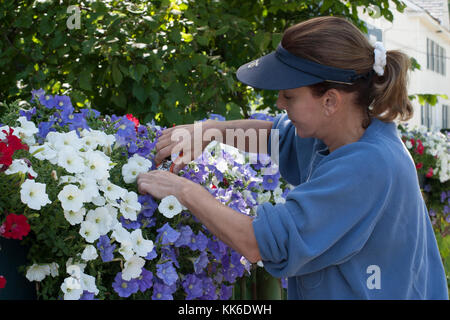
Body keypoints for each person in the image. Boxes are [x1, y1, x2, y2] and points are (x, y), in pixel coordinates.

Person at [137, 16, 448, 299]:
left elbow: (259, 243)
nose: (279, 102)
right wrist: (210, 131)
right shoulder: (350, 130)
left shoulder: (368, 166)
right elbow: (275, 135)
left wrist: (182, 189)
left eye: (289, 95)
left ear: (330, 101)